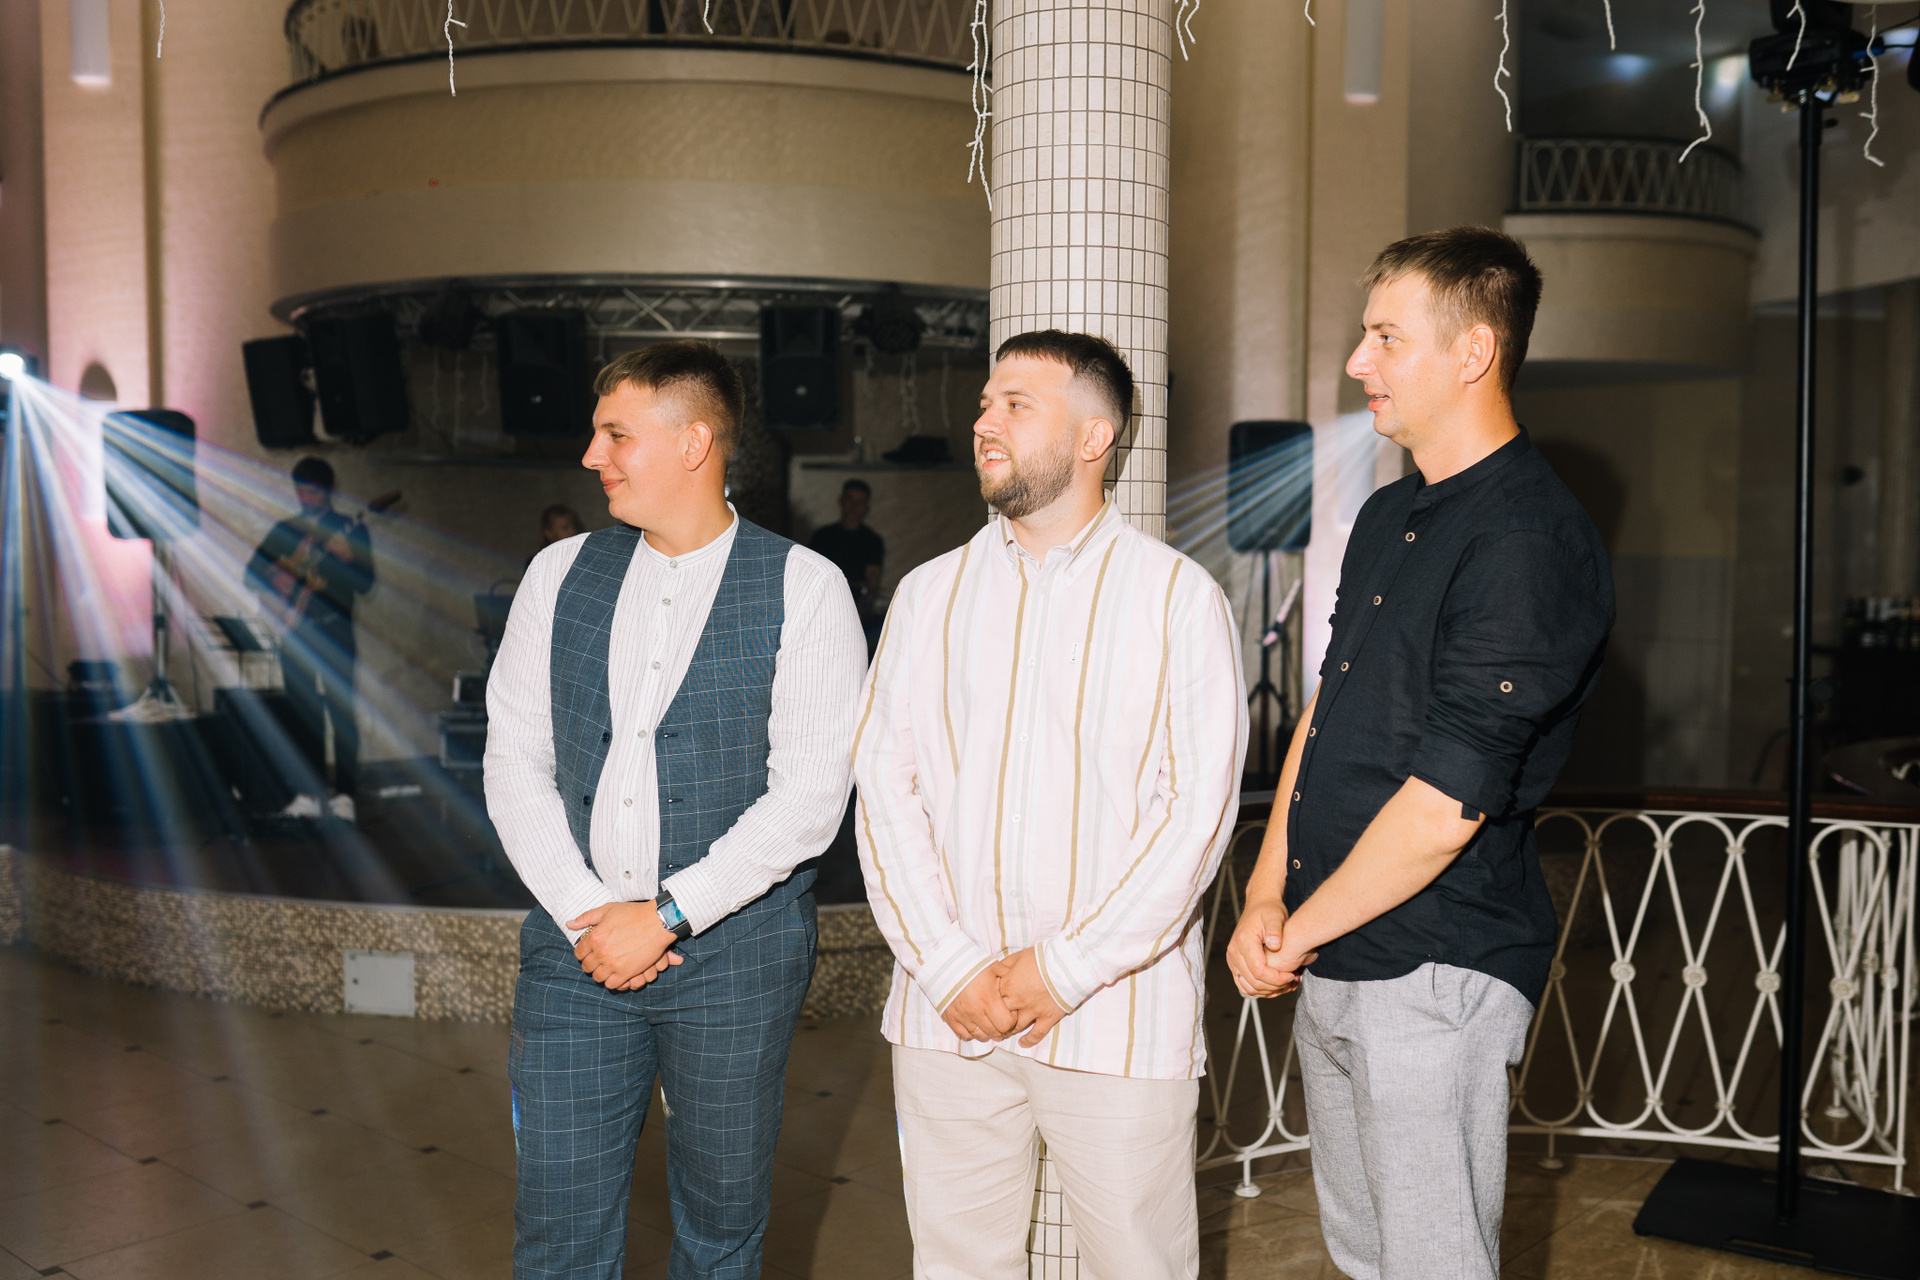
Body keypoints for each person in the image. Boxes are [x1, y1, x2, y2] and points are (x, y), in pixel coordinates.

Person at [1225, 227, 1615, 1280]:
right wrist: (1266, 890)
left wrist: (1294, 930)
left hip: (1436, 961)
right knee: (1364, 1252)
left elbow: (1447, 805)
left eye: (1387, 337)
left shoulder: (1526, 538)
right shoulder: (1391, 510)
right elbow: (1327, 707)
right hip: (1337, 938)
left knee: (1433, 1260)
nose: (1359, 360)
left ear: (1473, 351)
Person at [855, 330, 1247, 1280]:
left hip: (1116, 1012)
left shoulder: (1176, 598)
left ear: (1093, 437)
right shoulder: (927, 595)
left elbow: (1196, 816)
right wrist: (948, 967)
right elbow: (884, 790)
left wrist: (1063, 970)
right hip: (947, 1016)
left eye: (1016, 404)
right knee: (956, 1266)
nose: (984, 422)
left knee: (1139, 1268)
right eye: (984, 404)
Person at [484, 340, 867, 1280]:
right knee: (557, 1228)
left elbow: (810, 798)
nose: (592, 455)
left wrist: (664, 916)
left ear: (694, 442)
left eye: (615, 434)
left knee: (720, 1228)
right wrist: (589, 914)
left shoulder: (806, 586)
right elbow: (514, 757)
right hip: (575, 957)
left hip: (737, 958)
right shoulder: (557, 573)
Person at [245, 456, 374, 822]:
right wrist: (277, 576)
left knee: (340, 713)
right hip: (294, 632)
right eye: (300, 491)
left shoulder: (350, 529)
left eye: (313, 492)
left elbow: (366, 585)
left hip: (334, 631)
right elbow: (251, 573)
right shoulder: (287, 528)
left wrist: (348, 560)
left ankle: (345, 795)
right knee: (301, 715)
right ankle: (308, 793)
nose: (305, 498)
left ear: (329, 491)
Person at [808, 479, 886, 650]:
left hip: (857, 609)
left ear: (866, 507)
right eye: (850, 500)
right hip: (824, 606)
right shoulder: (822, 537)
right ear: (841, 501)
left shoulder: (872, 541)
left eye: (860, 502)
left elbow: (872, 581)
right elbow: (810, 575)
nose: (854, 506)